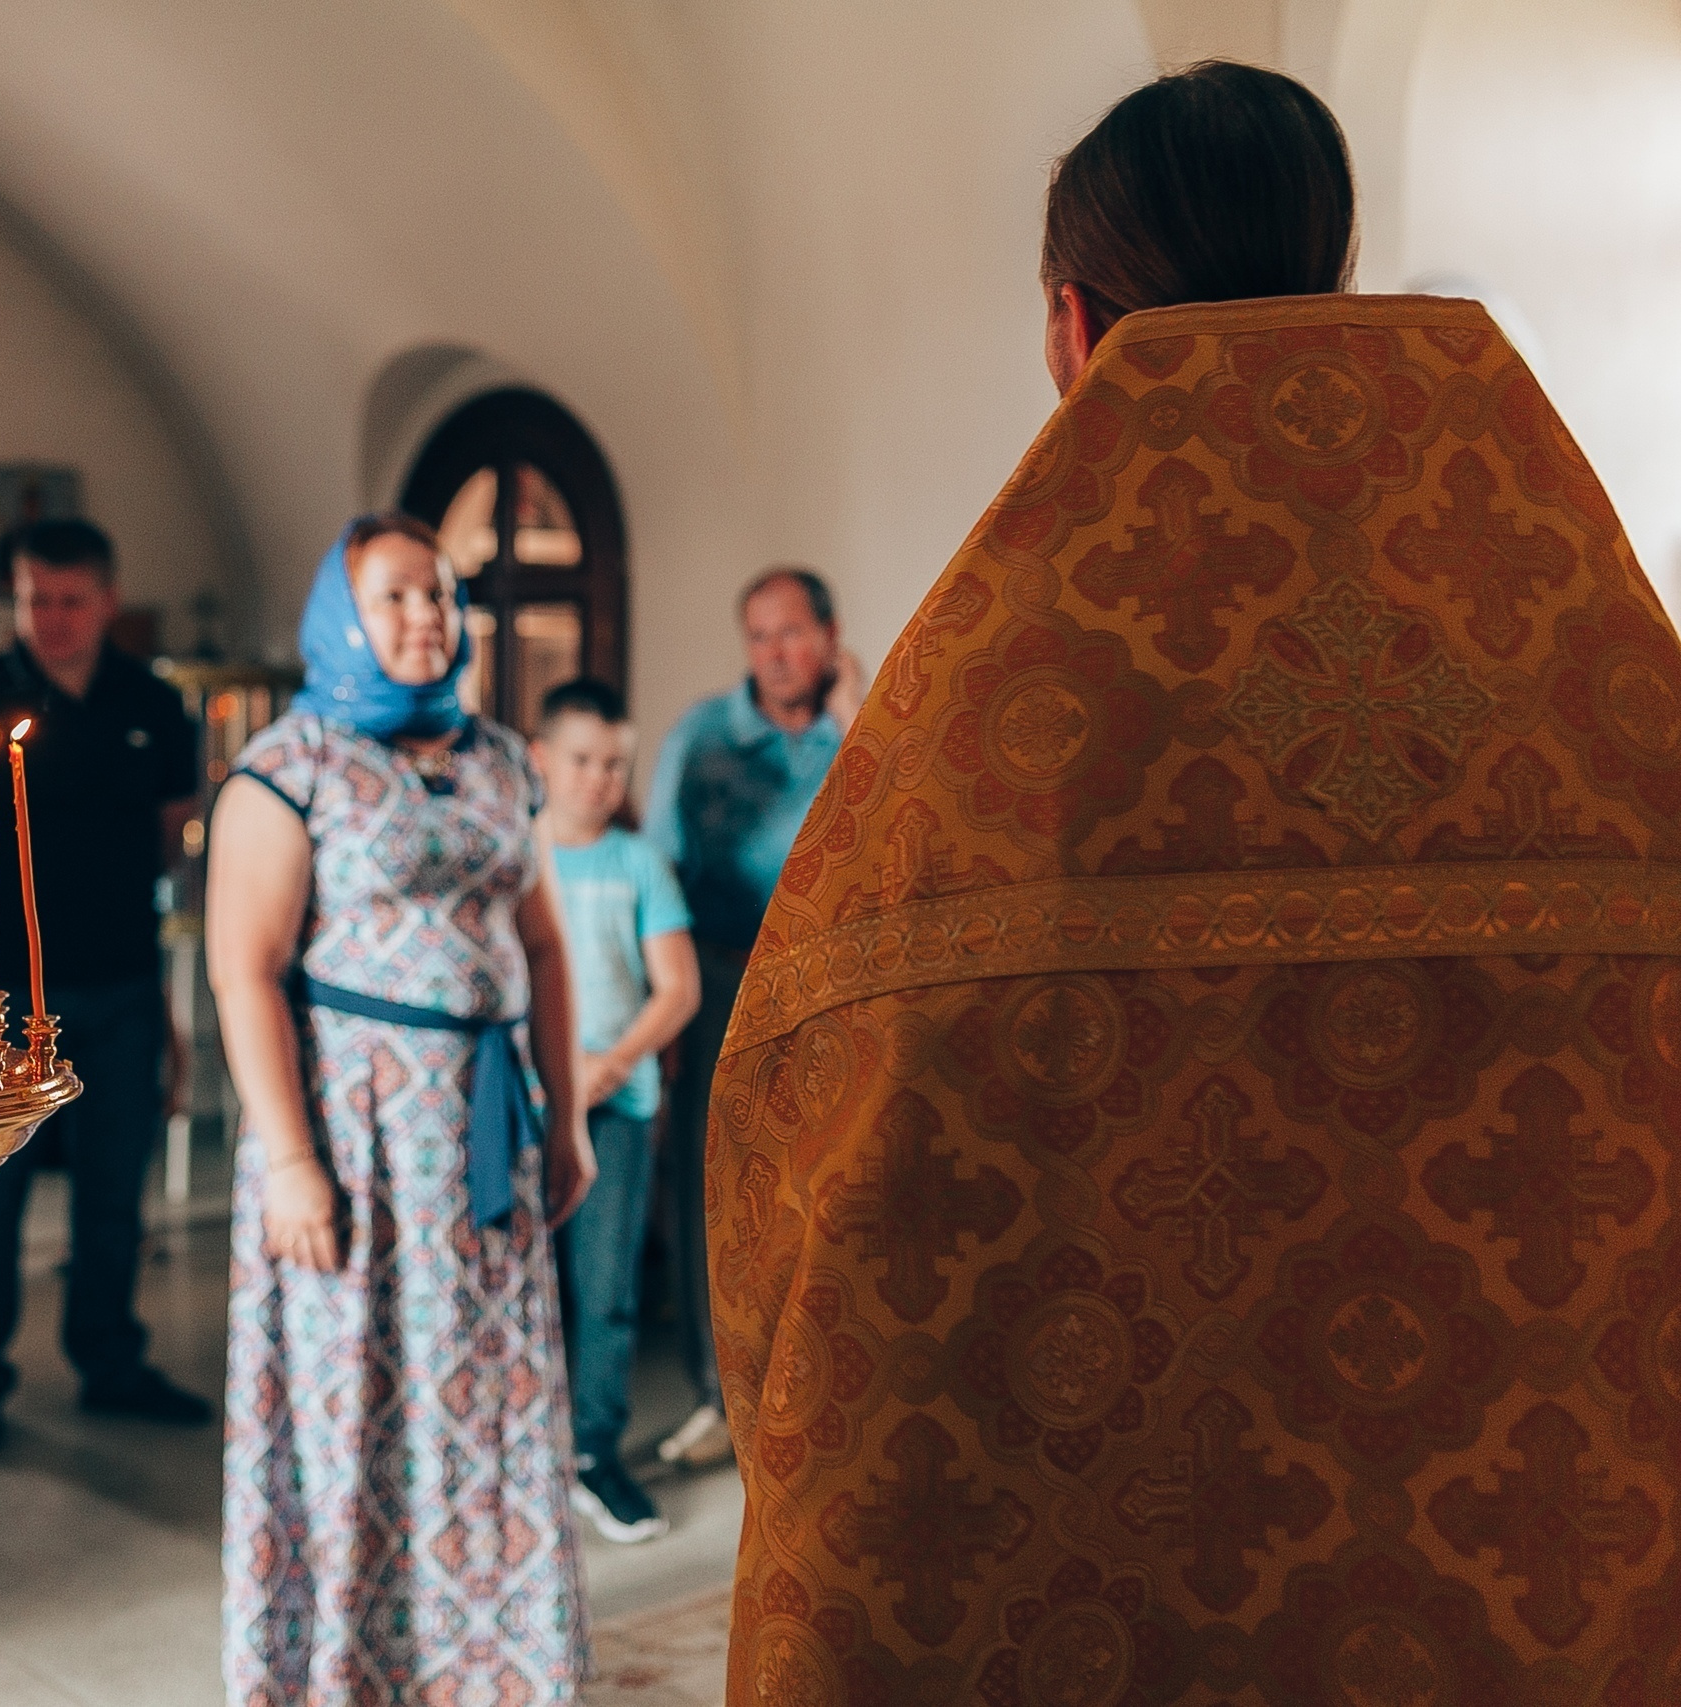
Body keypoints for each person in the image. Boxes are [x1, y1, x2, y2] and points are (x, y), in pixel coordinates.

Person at [708, 60, 1681, 1695]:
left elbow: (804, 1148)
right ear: (1337, 282)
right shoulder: (1579, 660)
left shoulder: (991, 706)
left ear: (1075, 324)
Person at [208, 514, 595, 1703]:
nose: (427, 615)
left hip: (488, 1127)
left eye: (439, 593)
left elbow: (540, 941)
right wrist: (289, 1162)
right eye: (396, 597)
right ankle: (349, 1671)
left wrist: (567, 1113)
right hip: (354, 1135)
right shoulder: (292, 763)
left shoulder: (495, 757)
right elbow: (244, 967)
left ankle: (488, 1668)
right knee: (362, 1403)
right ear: (342, 617)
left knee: (488, 1400)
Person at [0, 518, 209, 1453]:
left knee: (112, 1187)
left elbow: (170, 828)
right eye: (37, 598)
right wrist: (6, 929)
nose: (54, 617)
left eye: (72, 599)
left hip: (120, 981)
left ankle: (109, 1358)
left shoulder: (152, 705)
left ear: (107, 601)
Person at [641, 566, 862, 1468]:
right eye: (759, 637)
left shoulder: (856, 731)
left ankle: (814, 1386)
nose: (776, 655)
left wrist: (856, 712)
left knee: (825, 1188)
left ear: (830, 635)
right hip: (723, 986)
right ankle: (715, 1391)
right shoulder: (704, 736)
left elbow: (894, 822)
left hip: (827, 990)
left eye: (793, 634)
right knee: (716, 1192)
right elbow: (658, 868)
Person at [533, 677, 699, 1544]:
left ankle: (594, 1454)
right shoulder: (516, 855)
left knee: (605, 1291)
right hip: (525, 1106)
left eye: (614, 764)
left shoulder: (639, 862)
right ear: (541, 759)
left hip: (618, 1108)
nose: (599, 779)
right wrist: (550, 1072)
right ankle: (519, 1453)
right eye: (582, 760)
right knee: (524, 1285)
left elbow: (677, 987)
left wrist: (610, 1062)